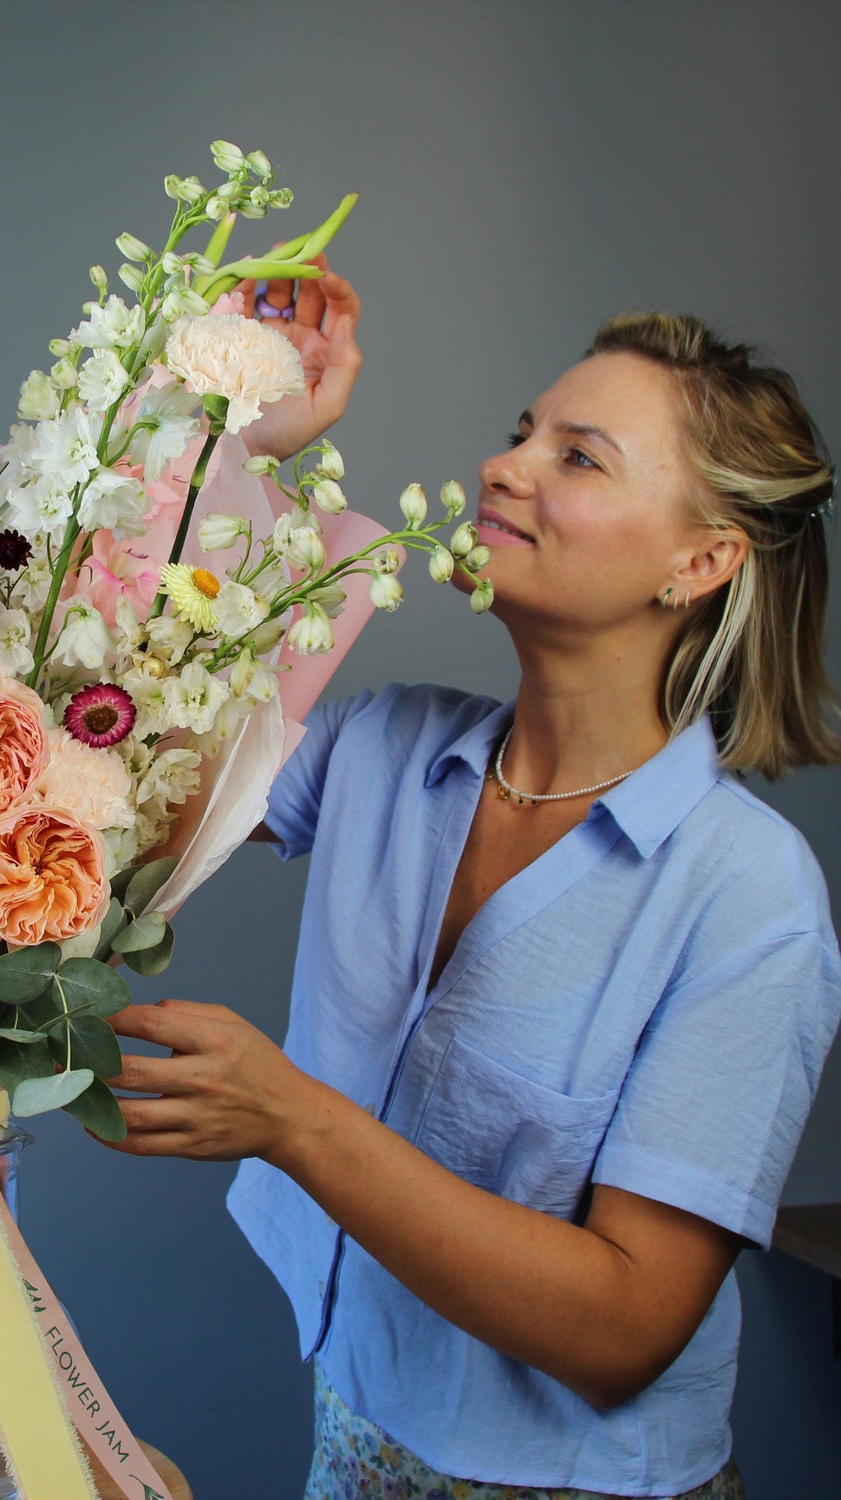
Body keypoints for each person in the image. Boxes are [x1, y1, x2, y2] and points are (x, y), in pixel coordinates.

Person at [102, 260, 841, 1499]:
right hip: (354, 1431)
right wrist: (240, 446)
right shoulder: (379, 747)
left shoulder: (746, 896)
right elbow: (129, 822)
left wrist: (294, 1121)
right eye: (520, 435)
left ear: (700, 564)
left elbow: (625, 1332)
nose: (504, 468)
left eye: (580, 457)